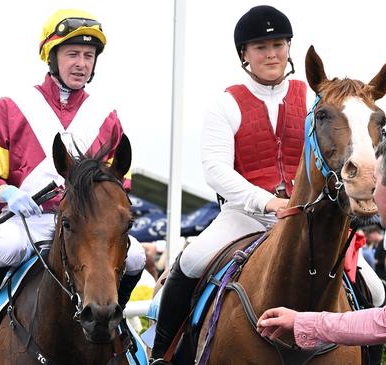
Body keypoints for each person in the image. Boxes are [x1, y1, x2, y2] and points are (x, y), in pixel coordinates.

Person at [0, 9, 146, 362]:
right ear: (52, 56)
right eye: (72, 54)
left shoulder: (107, 115)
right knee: (3, 247)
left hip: (87, 229)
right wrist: (6, 193)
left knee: (134, 255)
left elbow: (121, 185)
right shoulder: (11, 108)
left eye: (88, 56)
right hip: (30, 221)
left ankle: (114, 321)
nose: (81, 63)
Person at [149, 5, 305, 362]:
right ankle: (162, 354)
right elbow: (216, 170)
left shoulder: (311, 97)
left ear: (288, 48)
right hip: (244, 217)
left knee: (370, 284)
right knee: (191, 262)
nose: (271, 54)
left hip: (302, 216)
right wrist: (266, 201)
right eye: (261, 47)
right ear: (244, 55)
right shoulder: (225, 103)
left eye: (279, 45)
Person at [256, 133, 386, 362]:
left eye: (375, 182)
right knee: (191, 263)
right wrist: (301, 322)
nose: (372, 194)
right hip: (249, 212)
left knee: (375, 290)